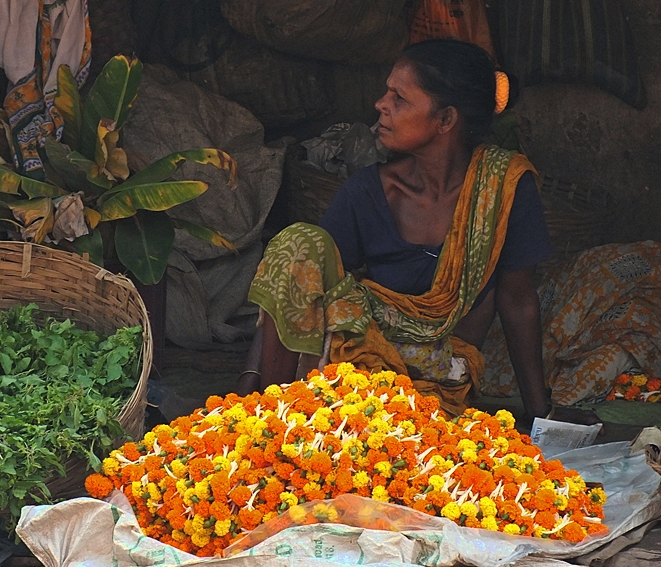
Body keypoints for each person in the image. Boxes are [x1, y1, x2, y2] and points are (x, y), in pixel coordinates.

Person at [237, 39, 602, 431]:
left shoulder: (501, 188)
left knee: (374, 432)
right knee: (298, 241)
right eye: (386, 91)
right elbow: (292, 286)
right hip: (360, 365)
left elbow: (517, 300)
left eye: (400, 98)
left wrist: (540, 411)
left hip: (441, 378)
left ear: (445, 120)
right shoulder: (369, 191)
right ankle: (269, 422)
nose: (381, 104)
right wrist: (246, 387)